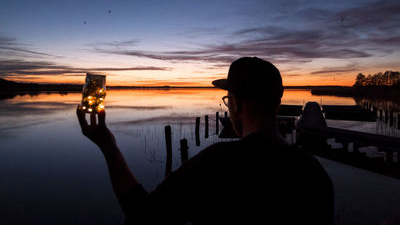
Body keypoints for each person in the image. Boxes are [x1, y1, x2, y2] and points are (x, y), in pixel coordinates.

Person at [77, 57, 334, 224]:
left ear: (235, 103)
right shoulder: (313, 171)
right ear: (277, 102)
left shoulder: (218, 164)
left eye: (228, 100)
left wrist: (108, 145)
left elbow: (144, 216)